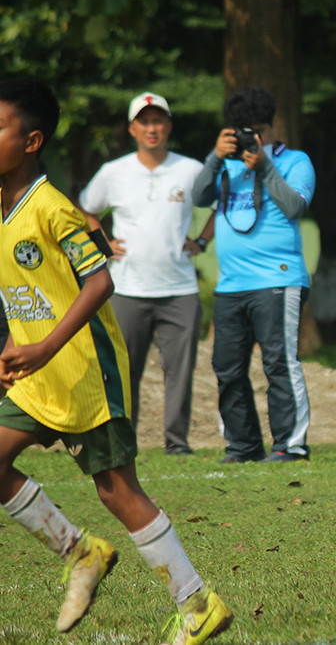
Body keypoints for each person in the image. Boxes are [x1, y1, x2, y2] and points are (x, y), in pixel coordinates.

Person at [0, 79, 231, 644]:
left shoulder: (53, 209)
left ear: (31, 141)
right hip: (36, 377)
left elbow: (100, 282)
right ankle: (80, 551)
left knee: (115, 489)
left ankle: (198, 603)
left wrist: (45, 345)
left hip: (84, 372)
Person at [78, 91, 213, 456]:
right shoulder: (114, 172)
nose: (152, 128)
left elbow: (218, 204)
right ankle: (125, 442)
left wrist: (201, 241)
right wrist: (103, 244)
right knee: (125, 370)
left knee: (180, 372)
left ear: (168, 126)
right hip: (127, 288)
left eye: (158, 121)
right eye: (145, 122)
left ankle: (177, 443)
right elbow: (86, 209)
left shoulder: (191, 169)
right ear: (132, 129)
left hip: (180, 288)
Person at [192, 87, 315, 463]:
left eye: (259, 129)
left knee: (278, 363)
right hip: (231, 284)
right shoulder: (225, 163)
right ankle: (242, 446)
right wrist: (215, 157)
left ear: (274, 125)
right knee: (226, 367)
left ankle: (289, 445)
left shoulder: (295, 161)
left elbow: (294, 207)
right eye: (244, 131)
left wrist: (264, 166)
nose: (253, 138)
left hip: (278, 279)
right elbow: (198, 197)